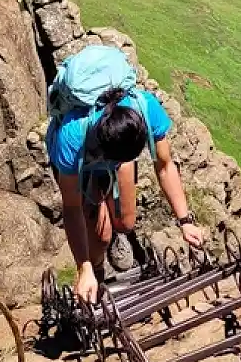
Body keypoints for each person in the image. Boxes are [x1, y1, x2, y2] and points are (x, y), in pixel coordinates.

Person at [46, 50, 204, 304]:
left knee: (126, 222)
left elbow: (164, 166)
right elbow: (72, 206)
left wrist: (185, 220)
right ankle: (97, 272)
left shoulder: (146, 108)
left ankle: (117, 233)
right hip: (83, 165)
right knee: (100, 238)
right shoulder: (72, 135)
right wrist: (84, 267)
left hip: (114, 153)